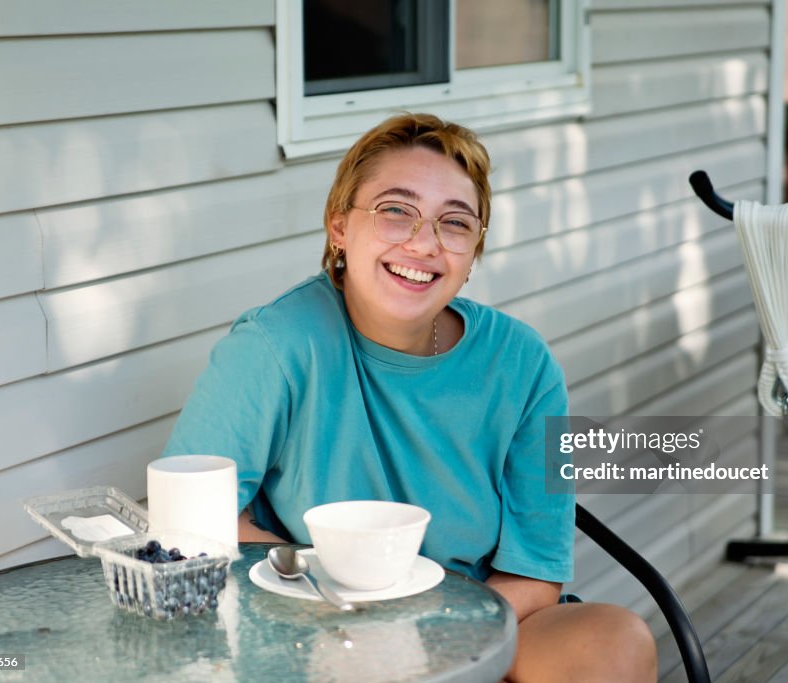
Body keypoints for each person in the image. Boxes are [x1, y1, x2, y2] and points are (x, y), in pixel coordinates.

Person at [163, 112, 657, 682]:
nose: (424, 243)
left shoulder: (522, 363)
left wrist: (435, 642)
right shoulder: (276, 345)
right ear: (340, 227)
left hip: (471, 623)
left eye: (455, 223)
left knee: (613, 641)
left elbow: (536, 574)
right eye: (396, 210)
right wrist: (334, 605)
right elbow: (192, 517)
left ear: (473, 253)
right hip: (319, 625)